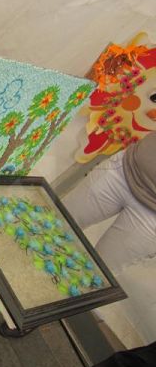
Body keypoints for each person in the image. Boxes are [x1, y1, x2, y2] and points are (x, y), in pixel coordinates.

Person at [64, 132, 156, 347]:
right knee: (54, 224)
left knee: (95, 276)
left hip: (151, 219)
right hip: (125, 169)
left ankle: (37, 317)